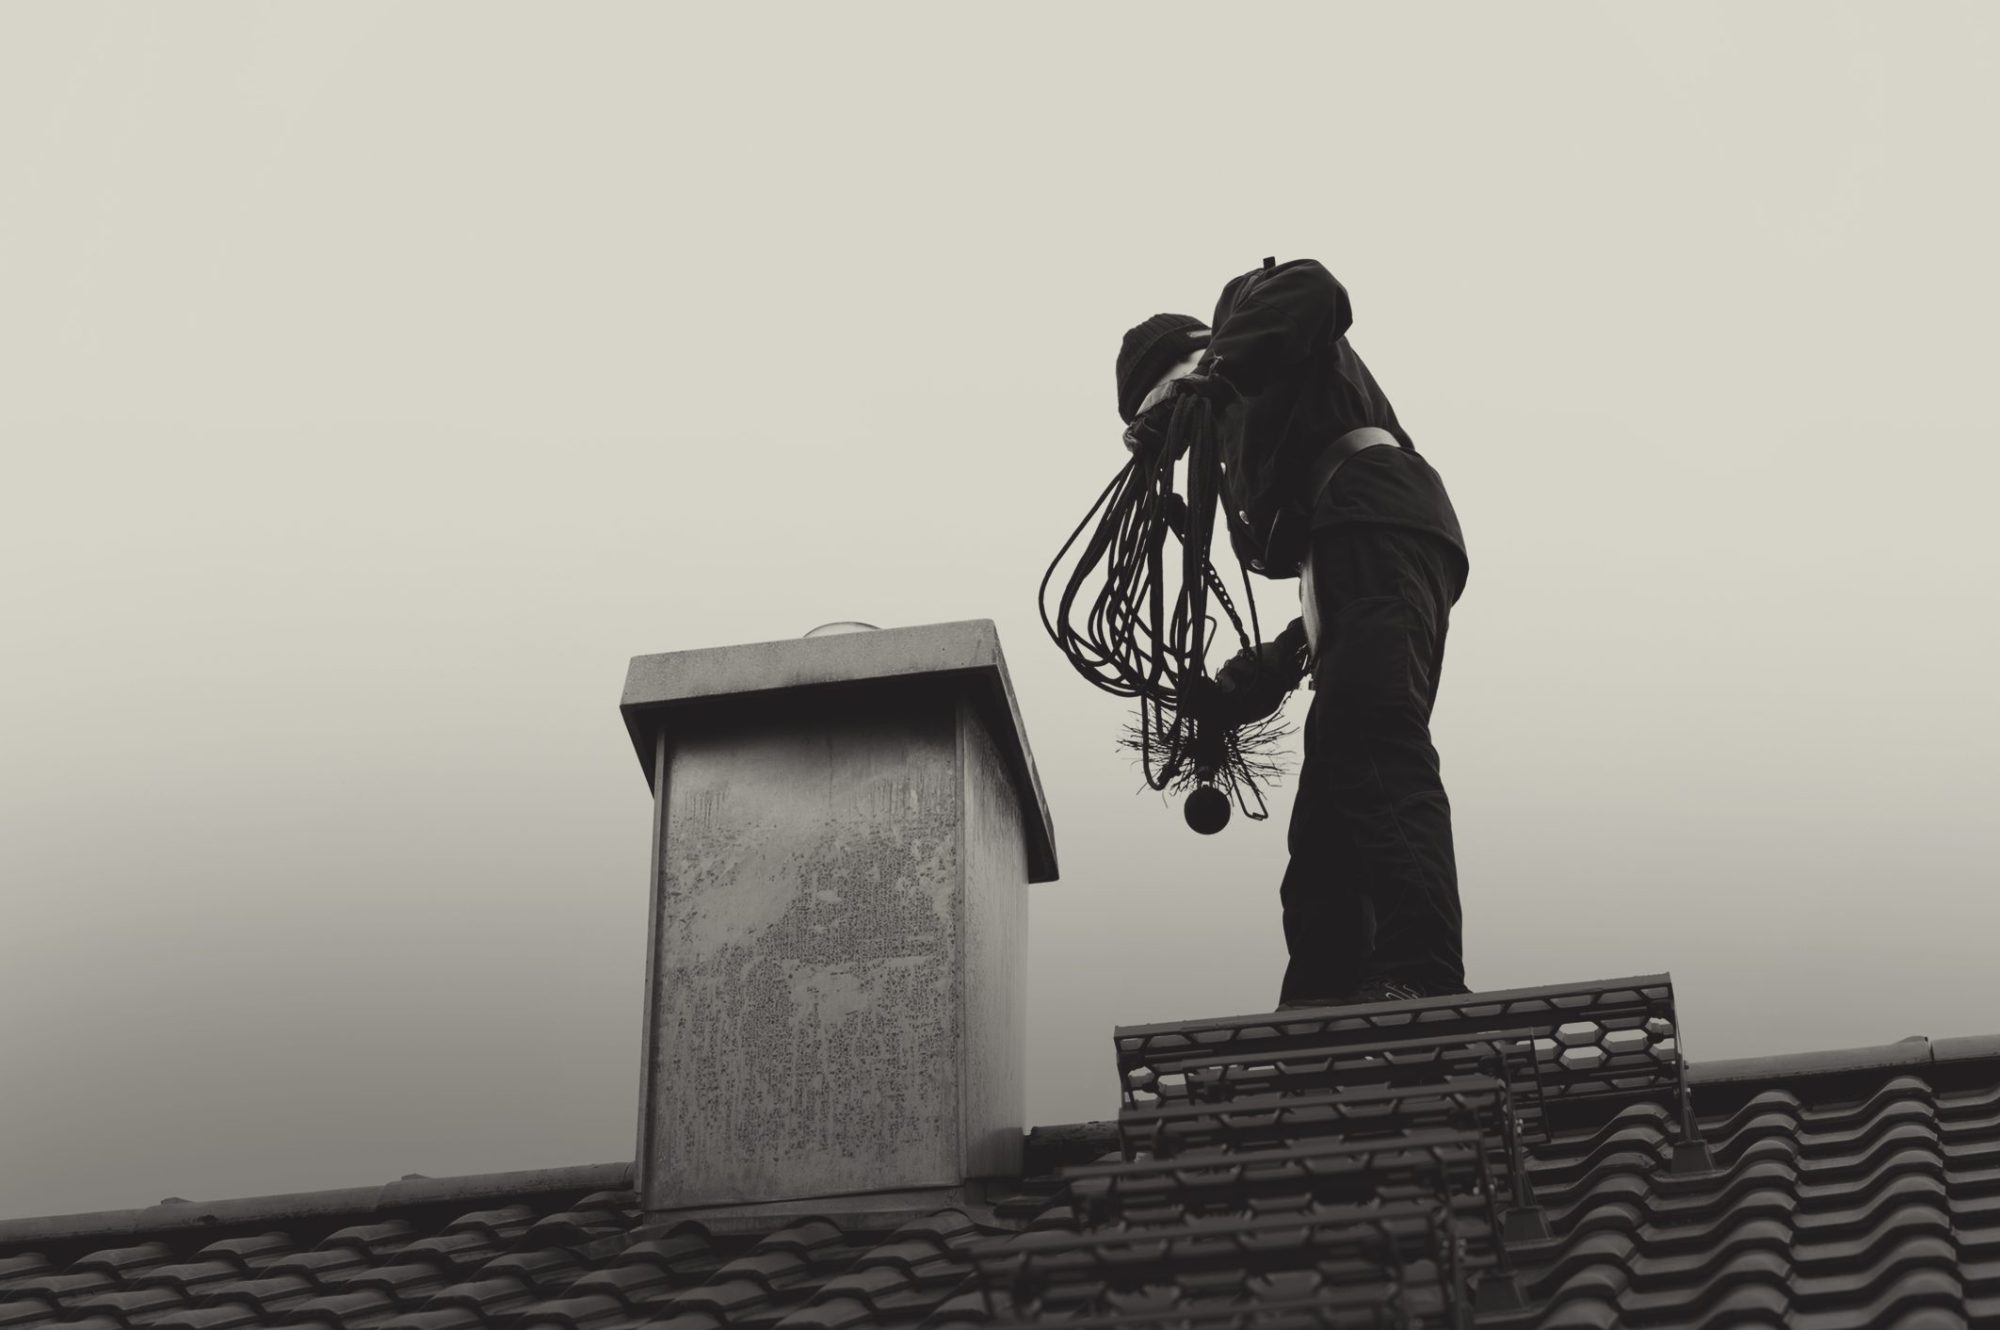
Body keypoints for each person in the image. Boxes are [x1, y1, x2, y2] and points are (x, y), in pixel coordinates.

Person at [1114, 258, 1471, 1007]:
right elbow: (1327, 603)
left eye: (1165, 402)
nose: (1182, 433)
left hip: (1377, 513)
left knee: (1373, 744)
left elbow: (1317, 286)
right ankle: (1318, 1012)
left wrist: (1211, 374)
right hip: (1358, 548)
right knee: (1324, 831)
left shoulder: (1251, 317)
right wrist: (1256, 678)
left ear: (1191, 359)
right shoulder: (1258, 457)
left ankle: (1421, 972)